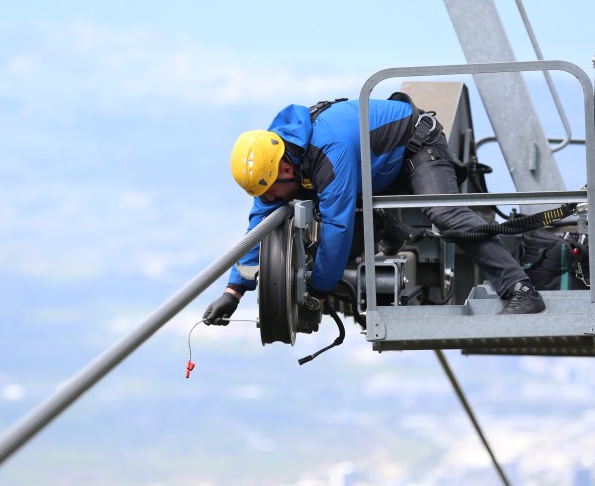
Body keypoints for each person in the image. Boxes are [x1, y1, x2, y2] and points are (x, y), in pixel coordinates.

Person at [202, 94, 545, 326]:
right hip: (377, 167)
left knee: (445, 215)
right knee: (333, 215)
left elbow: (337, 229)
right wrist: (234, 291)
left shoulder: (328, 152)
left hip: (416, 147)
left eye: (272, 191)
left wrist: (317, 294)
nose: (271, 198)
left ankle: (520, 290)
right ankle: (390, 233)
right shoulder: (273, 163)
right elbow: (259, 223)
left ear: (287, 169)